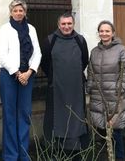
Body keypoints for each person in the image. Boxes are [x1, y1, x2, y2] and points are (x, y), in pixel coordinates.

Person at [0, 0, 42, 161]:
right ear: (10, 12)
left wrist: (29, 72)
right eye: (15, 10)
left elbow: (37, 54)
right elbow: (1, 55)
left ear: (25, 12)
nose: (18, 13)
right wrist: (17, 73)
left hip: (27, 77)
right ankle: (10, 155)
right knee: (10, 115)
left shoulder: (31, 29)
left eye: (21, 10)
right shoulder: (5, 29)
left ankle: (23, 154)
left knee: (24, 114)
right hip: (9, 76)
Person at [41, 12, 89, 159]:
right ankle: (55, 150)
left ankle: (77, 150)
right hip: (56, 89)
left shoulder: (80, 40)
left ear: (73, 24)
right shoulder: (50, 40)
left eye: (69, 24)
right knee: (56, 119)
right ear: (58, 25)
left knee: (77, 117)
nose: (66, 27)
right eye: (63, 24)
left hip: (76, 88)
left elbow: (84, 60)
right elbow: (45, 63)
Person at [87, 20, 125, 161]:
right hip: (98, 96)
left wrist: (120, 89)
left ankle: (119, 158)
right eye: (101, 31)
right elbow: (91, 72)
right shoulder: (94, 51)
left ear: (112, 33)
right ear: (98, 33)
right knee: (101, 130)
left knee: (116, 131)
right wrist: (89, 88)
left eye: (107, 31)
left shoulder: (121, 49)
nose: (104, 33)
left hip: (114, 97)